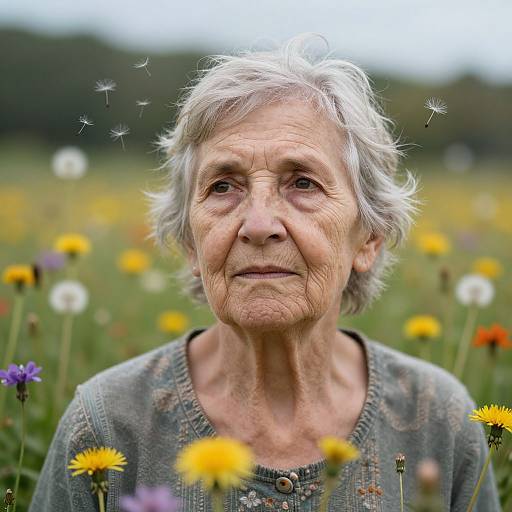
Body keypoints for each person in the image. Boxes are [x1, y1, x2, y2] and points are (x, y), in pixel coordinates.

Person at [29, 33, 501, 511]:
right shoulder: (108, 425)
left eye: (302, 182)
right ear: (190, 242)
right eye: (223, 186)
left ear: (370, 237)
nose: (258, 225)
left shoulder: (440, 422)